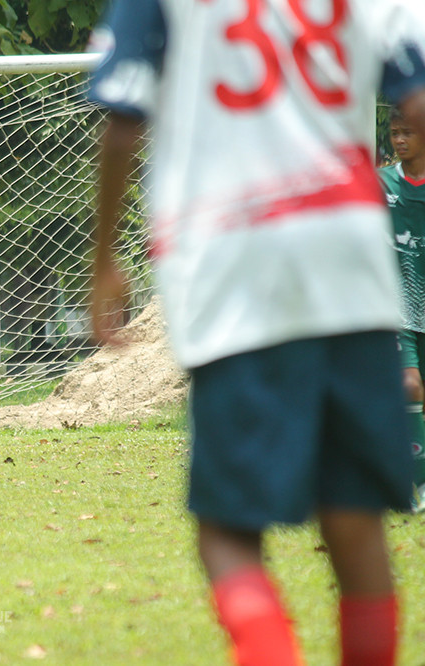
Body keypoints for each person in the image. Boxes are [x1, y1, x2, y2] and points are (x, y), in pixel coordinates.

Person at [87, 1, 425, 665]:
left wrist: (103, 260)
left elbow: (123, 122)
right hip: (350, 257)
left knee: (227, 530)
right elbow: (416, 100)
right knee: (354, 517)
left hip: (234, 257)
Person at [380, 106, 425, 513]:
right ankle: (418, 483)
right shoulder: (382, 183)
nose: (399, 140)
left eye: (407, 132)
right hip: (398, 306)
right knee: (408, 385)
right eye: (395, 132)